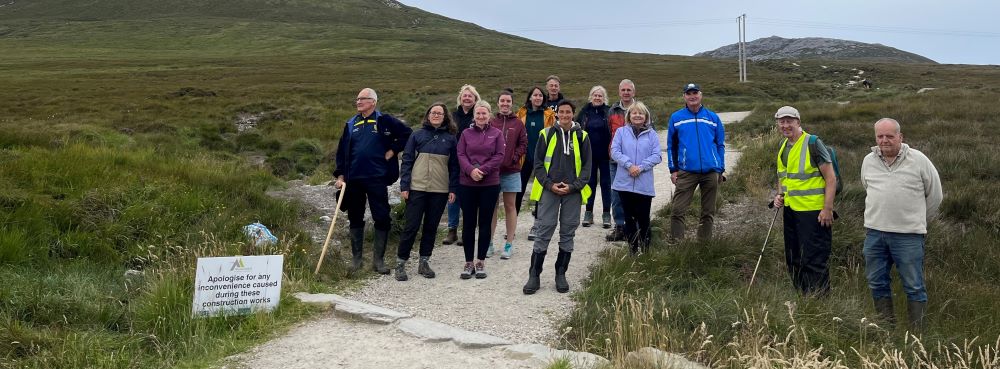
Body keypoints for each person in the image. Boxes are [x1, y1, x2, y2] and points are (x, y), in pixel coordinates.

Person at [861, 118, 942, 330]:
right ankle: (887, 331)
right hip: (874, 235)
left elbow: (935, 196)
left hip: (908, 236)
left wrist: (916, 221)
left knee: (914, 286)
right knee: (877, 283)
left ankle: (917, 337)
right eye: (880, 136)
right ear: (875, 137)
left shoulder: (919, 160)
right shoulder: (868, 161)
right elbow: (867, 187)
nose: (884, 140)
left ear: (900, 137)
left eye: (890, 136)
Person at [333, 88, 412, 275]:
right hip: (354, 179)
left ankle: (379, 261)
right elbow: (342, 151)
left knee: (382, 217)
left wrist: (393, 150)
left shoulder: (384, 120)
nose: (358, 102)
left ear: (373, 102)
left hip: (377, 178)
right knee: (355, 217)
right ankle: (357, 260)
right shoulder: (351, 123)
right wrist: (340, 175)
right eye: (357, 99)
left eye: (363, 99)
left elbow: (407, 134)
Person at [523, 100, 592, 295]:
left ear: (573, 114)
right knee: (544, 229)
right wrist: (549, 185)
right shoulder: (546, 134)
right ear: (557, 114)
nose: (565, 115)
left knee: (568, 231)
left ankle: (561, 273)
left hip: (573, 192)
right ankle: (534, 275)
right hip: (549, 190)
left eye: (568, 112)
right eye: (561, 112)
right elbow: (537, 164)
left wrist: (573, 186)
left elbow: (587, 167)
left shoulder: (582, 136)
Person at [771, 106, 836, 296]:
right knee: (794, 258)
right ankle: (803, 299)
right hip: (791, 211)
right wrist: (779, 195)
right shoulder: (784, 146)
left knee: (813, 259)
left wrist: (827, 208)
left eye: (789, 121)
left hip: (814, 213)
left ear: (798, 122)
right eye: (781, 121)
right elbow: (784, 177)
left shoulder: (813, 143)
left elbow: (831, 178)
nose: (785, 125)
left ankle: (820, 303)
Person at [394, 103, 460, 281]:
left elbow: (454, 166)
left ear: (445, 116)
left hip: (439, 189)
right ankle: (400, 263)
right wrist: (405, 186)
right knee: (411, 226)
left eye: (440, 113)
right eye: (433, 112)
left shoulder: (451, 139)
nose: (436, 115)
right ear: (428, 115)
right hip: (417, 188)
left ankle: (424, 261)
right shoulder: (417, 135)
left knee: (431, 227)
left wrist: (453, 188)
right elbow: (406, 161)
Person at [667, 83, 725, 241]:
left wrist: (720, 168)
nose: (692, 96)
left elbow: (720, 145)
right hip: (686, 171)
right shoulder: (676, 118)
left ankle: (703, 244)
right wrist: (673, 169)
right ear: (684, 97)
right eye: (688, 93)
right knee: (677, 210)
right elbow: (671, 145)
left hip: (711, 171)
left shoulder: (713, 117)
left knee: (708, 212)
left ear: (701, 95)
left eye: (695, 93)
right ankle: (676, 244)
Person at [457, 100, 504, 279]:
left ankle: (481, 261)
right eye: (478, 113)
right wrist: (471, 170)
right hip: (467, 184)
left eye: (484, 113)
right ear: (474, 115)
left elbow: (499, 156)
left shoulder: (497, 134)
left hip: (489, 184)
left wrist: (482, 171)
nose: (481, 116)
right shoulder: (466, 133)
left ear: (489, 115)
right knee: (468, 223)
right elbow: (460, 154)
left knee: (484, 223)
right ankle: (469, 262)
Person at [610, 102, 661, 255]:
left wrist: (640, 167)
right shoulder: (621, 132)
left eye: (641, 113)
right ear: (629, 116)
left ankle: (646, 252)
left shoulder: (652, 134)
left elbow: (657, 155)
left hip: (644, 184)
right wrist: (629, 165)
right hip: (624, 184)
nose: (637, 115)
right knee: (629, 219)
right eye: (634, 113)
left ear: (646, 117)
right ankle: (632, 251)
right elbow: (614, 151)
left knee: (644, 219)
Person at [488, 89, 528, 259]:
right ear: (498, 103)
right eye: (502, 101)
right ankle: (488, 243)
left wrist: (514, 157)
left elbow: (523, 144)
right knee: (492, 207)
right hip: (492, 172)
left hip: (511, 171)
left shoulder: (518, 123)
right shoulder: (491, 121)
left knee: (510, 207)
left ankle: (509, 243)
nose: (505, 104)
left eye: (508, 101)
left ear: (512, 104)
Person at [443, 85, 482, 246]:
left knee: (469, 197)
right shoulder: (452, 116)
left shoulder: (478, 116)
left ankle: (468, 231)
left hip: (472, 162)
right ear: (460, 98)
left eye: (470, 96)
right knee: (453, 194)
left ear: (475, 99)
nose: (467, 98)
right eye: (465, 96)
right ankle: (452, 231)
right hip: (453, 161)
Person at [515, 86, 555, 240]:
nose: (537, 98)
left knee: (539, 193)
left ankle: (537, 225)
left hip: (542, 160)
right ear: (530, 97)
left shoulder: (549, 115)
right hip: (523, 158)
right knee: (518, 190)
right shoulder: (521, 113)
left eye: (540, 95)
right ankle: (512, 225)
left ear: (543, 98)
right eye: (535, 95)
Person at [606, 79, 638, 239]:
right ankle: (619, 227)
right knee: (617, 194)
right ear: (619, 92)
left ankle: (635, 226)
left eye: (629, 90)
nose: (626, 92)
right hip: (615, 161)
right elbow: (608, 134)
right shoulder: (612, 110)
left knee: (636, 194)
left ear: (634, 92)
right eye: (623, 90)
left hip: (636, 161)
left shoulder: (640, 110)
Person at [576, 86, 612, 228]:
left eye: (600, 96)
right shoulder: (584, 112)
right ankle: (588, 213)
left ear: (604, 98)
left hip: (606, 155)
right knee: (589, 183)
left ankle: (606, 214)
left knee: (606, 184)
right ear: (591, 97)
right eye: (595, 95)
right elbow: (577, 132)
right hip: (588, 155)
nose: (597, 98)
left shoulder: (609, 111)